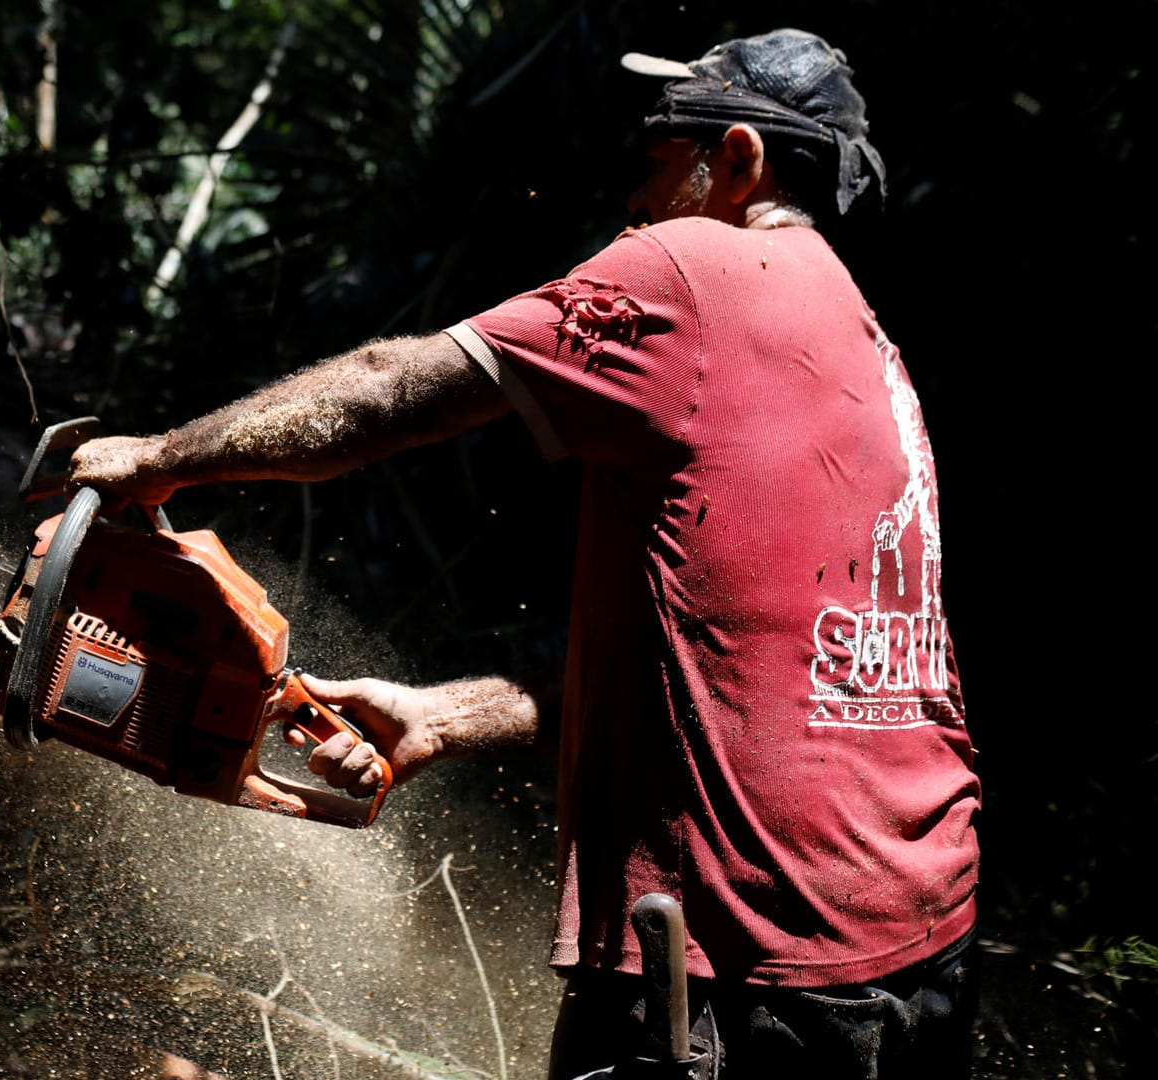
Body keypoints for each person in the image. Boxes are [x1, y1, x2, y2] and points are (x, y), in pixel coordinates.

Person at [68, 28, 980, 1080]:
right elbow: (741, 657)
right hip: (919, 941)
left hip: (743, 979)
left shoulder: (698, 266)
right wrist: (448, 714)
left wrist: (160, 458)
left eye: (654, 156)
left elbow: (388, 389)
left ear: (737, 160)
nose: (632, 198)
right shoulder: (869, 350)